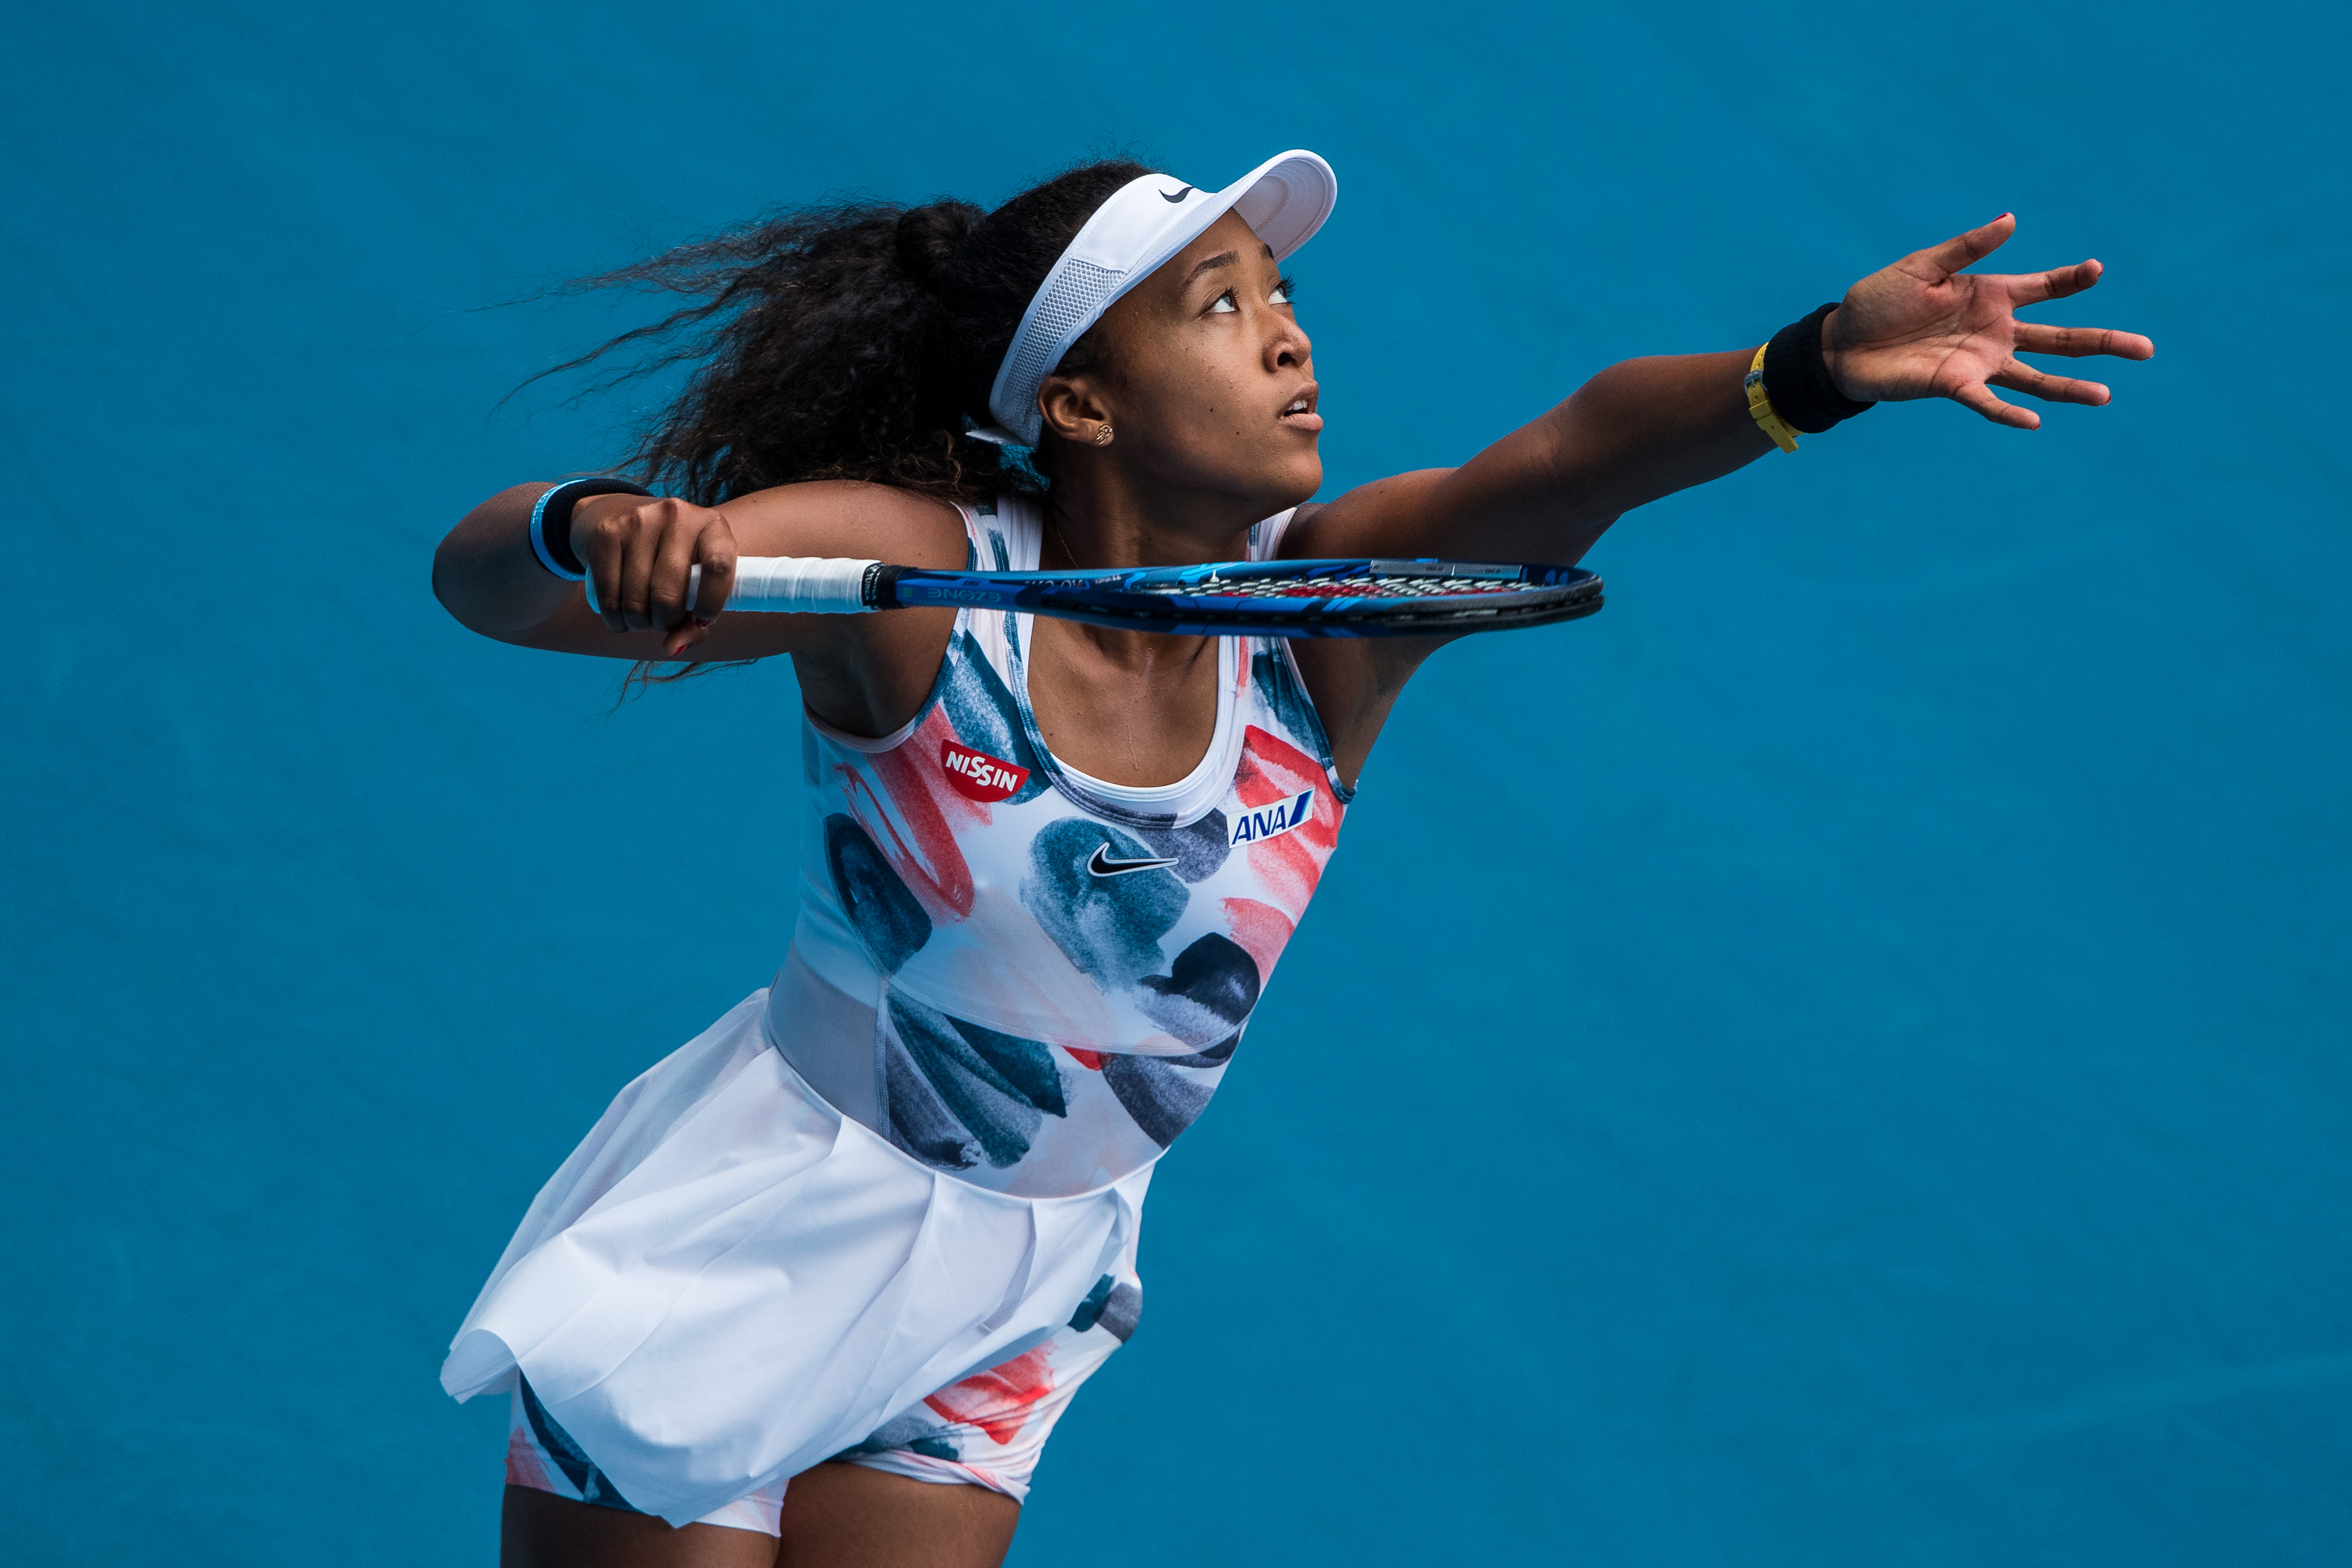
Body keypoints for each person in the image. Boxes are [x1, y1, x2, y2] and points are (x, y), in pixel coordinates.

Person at [431, 150, 2151, 1566]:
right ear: (1083, 405)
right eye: (1223, 305)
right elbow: (490, 586)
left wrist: (1817, 364)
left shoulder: (1325, 618)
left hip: (1028, 1271)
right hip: (776, 1220)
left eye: (1284, 298)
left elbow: (1562, 462)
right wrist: (597, 532)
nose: (1288, 341)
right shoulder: (915, 577)